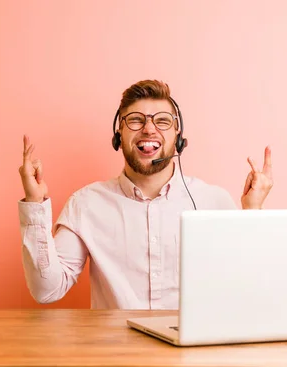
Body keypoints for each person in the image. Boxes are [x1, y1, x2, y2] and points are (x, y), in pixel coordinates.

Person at [17, 80, 273, 309]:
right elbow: (46, 290)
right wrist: (34, 203)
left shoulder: (214, 201)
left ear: (178, 137)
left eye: (162, 121)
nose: (149, 129)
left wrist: (252, 213)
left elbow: (246, 287)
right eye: (136, 120)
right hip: (119, 357)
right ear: (119, 136)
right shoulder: (86, 204)